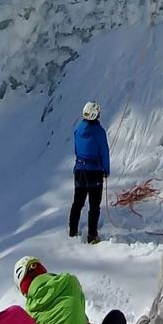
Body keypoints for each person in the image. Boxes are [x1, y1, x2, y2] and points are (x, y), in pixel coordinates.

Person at [69, 100, 110, 244]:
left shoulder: (78, 129)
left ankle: (72, 231)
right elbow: (104, 152)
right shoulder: (99, 132)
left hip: (80, 170)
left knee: (77, 202)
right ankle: (92, 235)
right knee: (94, 205)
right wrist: (106, 170)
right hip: (94, 172)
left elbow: (76, 149)